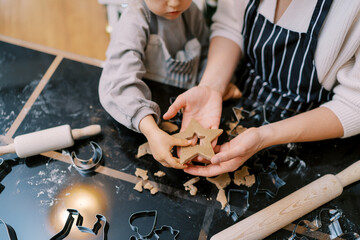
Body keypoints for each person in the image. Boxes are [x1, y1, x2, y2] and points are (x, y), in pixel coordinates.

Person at [163, 0, 360, 177]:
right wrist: (211, 86)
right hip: (243, 93)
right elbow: (230, 26)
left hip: (313, 129)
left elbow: (354, 105)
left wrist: (264, 136)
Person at [99, 0, 210, 169]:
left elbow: (206, 55)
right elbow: (117, 83)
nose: (175, 3)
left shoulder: (191, 12)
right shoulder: (135, 20)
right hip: (141, 121)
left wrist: (211, 87)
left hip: (186, 113)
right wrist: (151, 131)